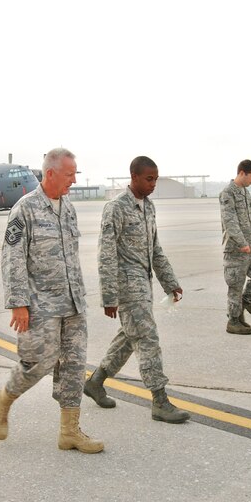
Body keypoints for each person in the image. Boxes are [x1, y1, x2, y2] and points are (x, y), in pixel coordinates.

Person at [0, 148, 103, 453]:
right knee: (38, 363)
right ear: (50, 173)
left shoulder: (68, 208)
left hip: (73, 302)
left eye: (75, 174)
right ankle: (2, 399)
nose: (73, 181)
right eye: (69, 174)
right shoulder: (25, 209)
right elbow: (12, 258)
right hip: (41, 304)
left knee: (74, 367)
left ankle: (70, 432)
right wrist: (18, 303)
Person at [83, 156, 190, 424]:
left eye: (155, 178)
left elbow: (155, 249)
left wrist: (170, 281)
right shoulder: (115, 208)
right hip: (126, 285)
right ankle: (160, 400)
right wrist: (109, 296)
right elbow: (106, 254)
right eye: (149, 179)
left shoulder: (149, 207)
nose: (153, 184)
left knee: (129, 337)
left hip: (144, 282)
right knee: (147, 338)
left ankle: (95, 382)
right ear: (134, 177)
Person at [220, 159, 251, 335]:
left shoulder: (246, 193)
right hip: (236, 249)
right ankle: (234, 321)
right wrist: (242, 243)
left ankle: (246, 302)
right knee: (236, 286)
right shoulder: (227, 193)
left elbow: (250, 219)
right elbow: (230, 221)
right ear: (242, 173)